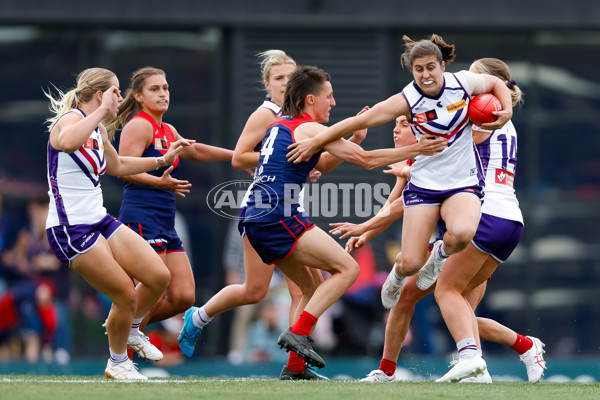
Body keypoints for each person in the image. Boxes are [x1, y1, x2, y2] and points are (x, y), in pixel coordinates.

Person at [286, 34, 513, 379]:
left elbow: (497, 81)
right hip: (424, 187)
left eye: (431, 67)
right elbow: (359, 123)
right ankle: (398, 275)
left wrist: (506, 108)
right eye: (419, 69)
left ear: (443, 66)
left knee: (463, 233)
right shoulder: (407, 99)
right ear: (413, 71)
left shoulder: (463, 83)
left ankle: (437, 260)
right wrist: (317, 138)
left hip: (461, 184)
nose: (425, 74)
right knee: (409, 263)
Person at [335, 58, 546, 383]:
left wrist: (403, 165)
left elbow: (396, 185)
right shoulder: (494, 118)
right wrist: (368, 228)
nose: (465, 85)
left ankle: (473, 358)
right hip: (507, 222)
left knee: (446, 293)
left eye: (474, 79)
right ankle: (393, 371)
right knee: (444, 305)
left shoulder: (472, 121)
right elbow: (397, 202)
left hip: (483, 217)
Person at [239, 64, 447, 375]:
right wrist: (420, 148)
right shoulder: (308, 128)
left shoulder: (279, 125)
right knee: (347, 269)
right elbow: (366, 162)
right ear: (311, 100)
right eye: (329, 96)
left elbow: (323, 161)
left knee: (311, 290)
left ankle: (295, 367)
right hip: (278, 213)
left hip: (255, 215)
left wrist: (355, 137)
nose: (333, 103)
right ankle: (298, 334)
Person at [178, 50, 358, 381]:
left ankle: (295, 366)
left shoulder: (301, 119)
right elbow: (238, 157)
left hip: (288, 208)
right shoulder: (267, 115)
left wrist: (311, 157)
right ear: (267, 84)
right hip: (266, 209)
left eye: (290, 77)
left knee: (298, 289)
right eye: (278, 78)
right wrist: (275, 157)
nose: (285, 83)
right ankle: (199, 317)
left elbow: (320, 164)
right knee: (255, 291)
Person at [43, 67, 190, 380]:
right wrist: (101, 113)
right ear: (100, 95)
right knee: (126, 294)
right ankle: (118, 363)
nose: (120, 97)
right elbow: (67, 142)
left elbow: (119, 164)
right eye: (116, 91)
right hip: (71, 229)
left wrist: (162, 161)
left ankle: (133, 329)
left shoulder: (96, 130)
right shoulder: (71, 119)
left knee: (158, 276)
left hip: (98, 219)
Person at [108, 66, 233, 343]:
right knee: (154, 293)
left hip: (165, 220)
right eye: (155, 89)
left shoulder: (167, 128)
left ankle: (126, 327)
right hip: (142, 215)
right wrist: (159, 183)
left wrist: (240, 157)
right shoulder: (139, 124)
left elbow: (195, 149)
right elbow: (122, 169)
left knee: (183, 297)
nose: (163, 93)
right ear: (139, 96)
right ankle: (121, 354)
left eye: (165, 88)